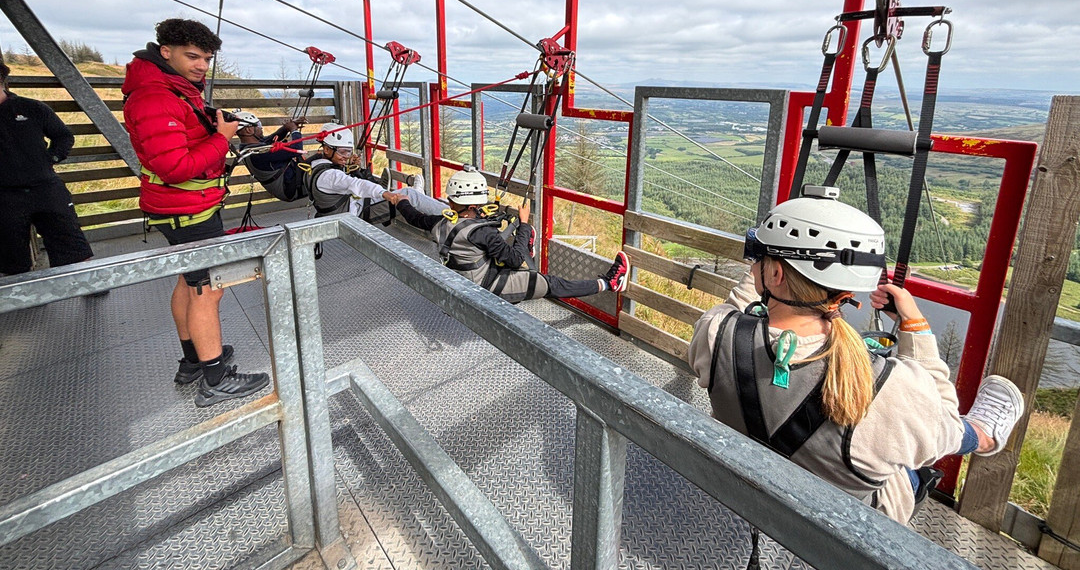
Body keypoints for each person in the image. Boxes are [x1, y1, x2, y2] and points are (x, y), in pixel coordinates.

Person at [687, 195, 1025, 524]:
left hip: (744, 479)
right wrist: (916, 325)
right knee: (927, 440)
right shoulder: (888, 387)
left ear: (774, 274)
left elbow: (738, 306)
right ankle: (983, 434)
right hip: (843, 526)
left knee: (894, 434)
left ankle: (979, 433)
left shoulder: (716, 332)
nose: (754, 263)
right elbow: (944, 422)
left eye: (757, 256)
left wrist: (768, 265)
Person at [122, 19, 269, 408]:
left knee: (189, 283)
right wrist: (221, 139)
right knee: (209, 287)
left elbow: (179, 142)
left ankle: (193, 361)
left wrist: (212, 126)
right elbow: (176, 167)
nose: (202, 65)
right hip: (188, 210)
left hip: (178, 208)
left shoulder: (168, 89)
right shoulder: (157, 97)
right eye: (192, 56)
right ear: (165, 51)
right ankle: (216, 376)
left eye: (206, 58)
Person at [386, 165, 630, 304]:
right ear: (475, 205)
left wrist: (401, 201)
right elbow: (513, 259)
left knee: (505, 252)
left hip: (465, 278)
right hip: (487, 287)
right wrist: (524, 224)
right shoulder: (483, 234)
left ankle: (526, 245)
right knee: (552, 283)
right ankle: (610, 283)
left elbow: (415, 217)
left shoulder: (439, 222)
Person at [0, 59, 101, 289]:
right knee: (10, 252)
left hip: (46, 187)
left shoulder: (31, 108)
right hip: (5, 196)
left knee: (69, 239)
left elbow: (63, 136)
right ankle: (23, 296)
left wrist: (51, 158)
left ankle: (89, 286)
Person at [301, 122, 394, 218]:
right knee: (405, 195)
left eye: (348, 152)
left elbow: (336, 181)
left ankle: (378, 188)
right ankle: (381, 189)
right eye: (342, 152)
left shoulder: (314, 167)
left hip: (333, 211)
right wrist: (384, 193)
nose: (346, 157)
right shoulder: (330, 175)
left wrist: (348, 165)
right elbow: (355, 184)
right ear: (326, 150)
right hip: (351, 213)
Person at [234, 112, 308, 201]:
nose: (261, 128)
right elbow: (297, 149)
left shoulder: (246, 147)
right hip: (292, 188)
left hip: (289, 183)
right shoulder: (257, 153)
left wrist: (286, 127)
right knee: (321, 158)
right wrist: (294, 130)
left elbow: (270, 139)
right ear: (248, 130)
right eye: (258, 125)